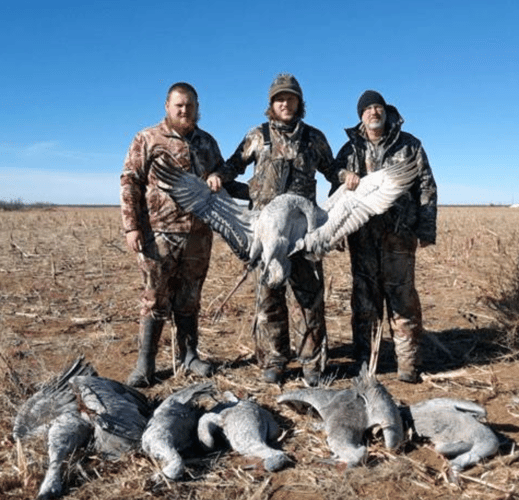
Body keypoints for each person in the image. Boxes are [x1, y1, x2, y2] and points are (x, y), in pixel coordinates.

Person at [207, 73, 337, 386]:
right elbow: (234, 164)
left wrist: (347, 178)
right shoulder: (257, 136)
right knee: (269, 300)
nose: (285, 103)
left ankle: (311, 362)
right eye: (280, 99)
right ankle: (275, 359)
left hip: (302, 236)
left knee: (310, 299)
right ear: (271, 104)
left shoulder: (314, 138)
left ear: (299, 102)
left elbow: (333, 171)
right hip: (267, 235)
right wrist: (217, 177)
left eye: (291, 98)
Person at [120, 82, 224, 387]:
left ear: (197, 106)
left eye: (190, 105)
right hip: (159, 233)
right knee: (155, 298)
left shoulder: (206, 142)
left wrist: (218, 175)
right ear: (167, 106)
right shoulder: (148, 138)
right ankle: (145, 365)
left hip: (198, 235)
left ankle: (188, 357)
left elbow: (221, 174)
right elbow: (130, 182)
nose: (185, 110)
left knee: (190, 297)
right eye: (179, 105)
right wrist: (131, 226)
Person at [333, 90, 437, 383]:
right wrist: (344, 179)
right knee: (364, 302)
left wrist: (426, 229)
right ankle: (366, 361)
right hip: (362, 237)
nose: (373, 112)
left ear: (386, 111)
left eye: (377, 106)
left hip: (399, 236)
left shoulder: (409, 145)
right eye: (367, 109)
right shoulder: (350, 149)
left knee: (402, 299)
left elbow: (427, 187)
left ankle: (408, 364)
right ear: (360, 116)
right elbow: (335, 187)